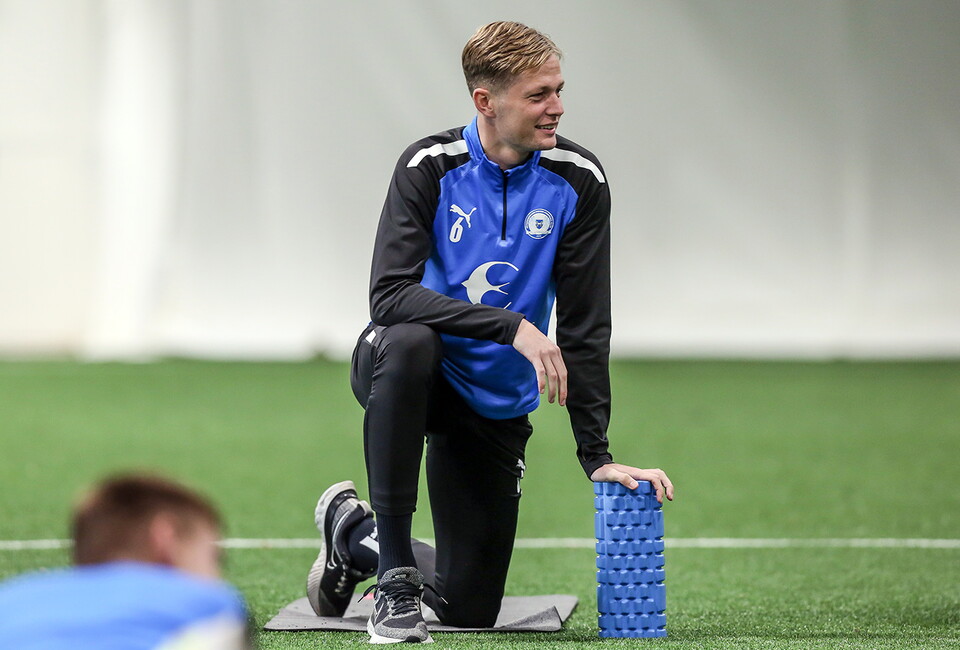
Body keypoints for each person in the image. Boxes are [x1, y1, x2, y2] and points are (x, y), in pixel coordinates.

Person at [306, 21, 674, 644]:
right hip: (405, 369)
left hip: (491, 401)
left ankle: (352, 533)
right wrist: (511, 327)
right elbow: (389, 295)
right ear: (486, 101)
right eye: (538, 95)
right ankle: (394, 578)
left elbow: (585, 325)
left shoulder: (579, 179)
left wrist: (597, 454)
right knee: (410, 341)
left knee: (471, 605)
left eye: (558, 90)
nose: (557, 107)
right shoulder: (429, 166)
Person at [0, 473, 250, 649]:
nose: (218, 576)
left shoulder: (10, 597)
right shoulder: (207, 604)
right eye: (215, 559)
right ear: (164, 539)